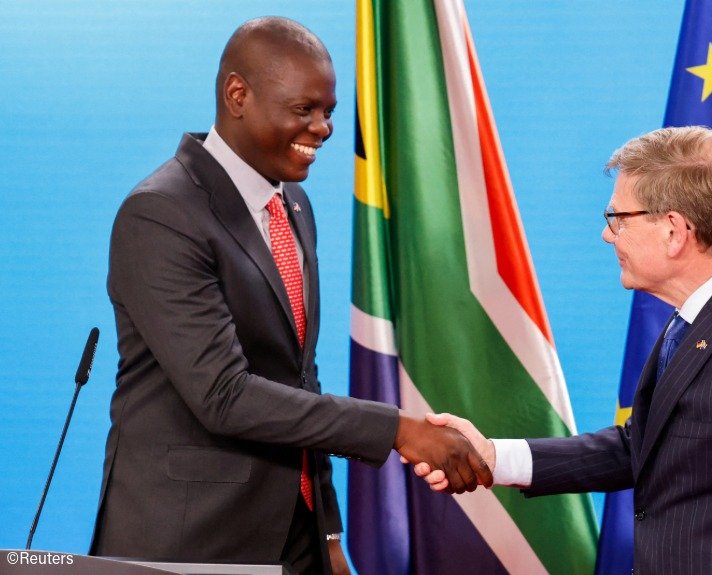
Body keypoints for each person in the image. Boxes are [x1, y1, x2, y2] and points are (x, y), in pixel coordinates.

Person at [89, 17, 490, 575]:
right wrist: (397, 428)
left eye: (328, 111)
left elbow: (300, 378)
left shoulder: (293, 205)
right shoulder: (162, 213)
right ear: (238, 95)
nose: (323, 128)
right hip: (191, 542)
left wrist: (326, 530)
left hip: (292, 537)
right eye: (305, 110)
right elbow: (224, 394)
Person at [418, 127, 712, 574]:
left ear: (674, 231)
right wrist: (495, 458)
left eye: (618, 218)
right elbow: (645, 446)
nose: (607, 235)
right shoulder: (705, 309)